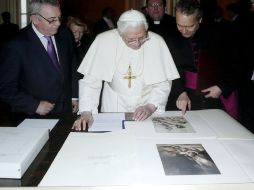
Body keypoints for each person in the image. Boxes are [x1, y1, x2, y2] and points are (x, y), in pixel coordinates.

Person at [72, 9, 179, 130]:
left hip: (147, 103)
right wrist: (86, 112)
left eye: (142, 37)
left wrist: (150, 106)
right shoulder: (104, 40)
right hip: (113, 105)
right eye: (131, 39)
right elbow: (91, 81)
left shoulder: (157, 41)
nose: (137, 43)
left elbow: (163, 82)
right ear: (120, 33)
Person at [0, 0, 78, 116]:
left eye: (59, 18)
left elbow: (72, 65)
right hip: (33, 116)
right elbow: (5, 88)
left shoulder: (65, 34)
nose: (58, 24)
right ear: (35, 19)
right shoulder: (16, 45)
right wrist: (34, 105)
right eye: (52, 20)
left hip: (66, 110)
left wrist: (74, 96)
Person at [166, 0, 238, 119]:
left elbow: (238, 65)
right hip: (184, 94)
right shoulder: (171, 38)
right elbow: (170, 69)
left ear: (199, 20)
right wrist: (180, 92)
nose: (183, 31)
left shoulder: (220, 35)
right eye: (179, 25)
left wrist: (222, 87)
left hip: (216, 93)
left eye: (189, 26)